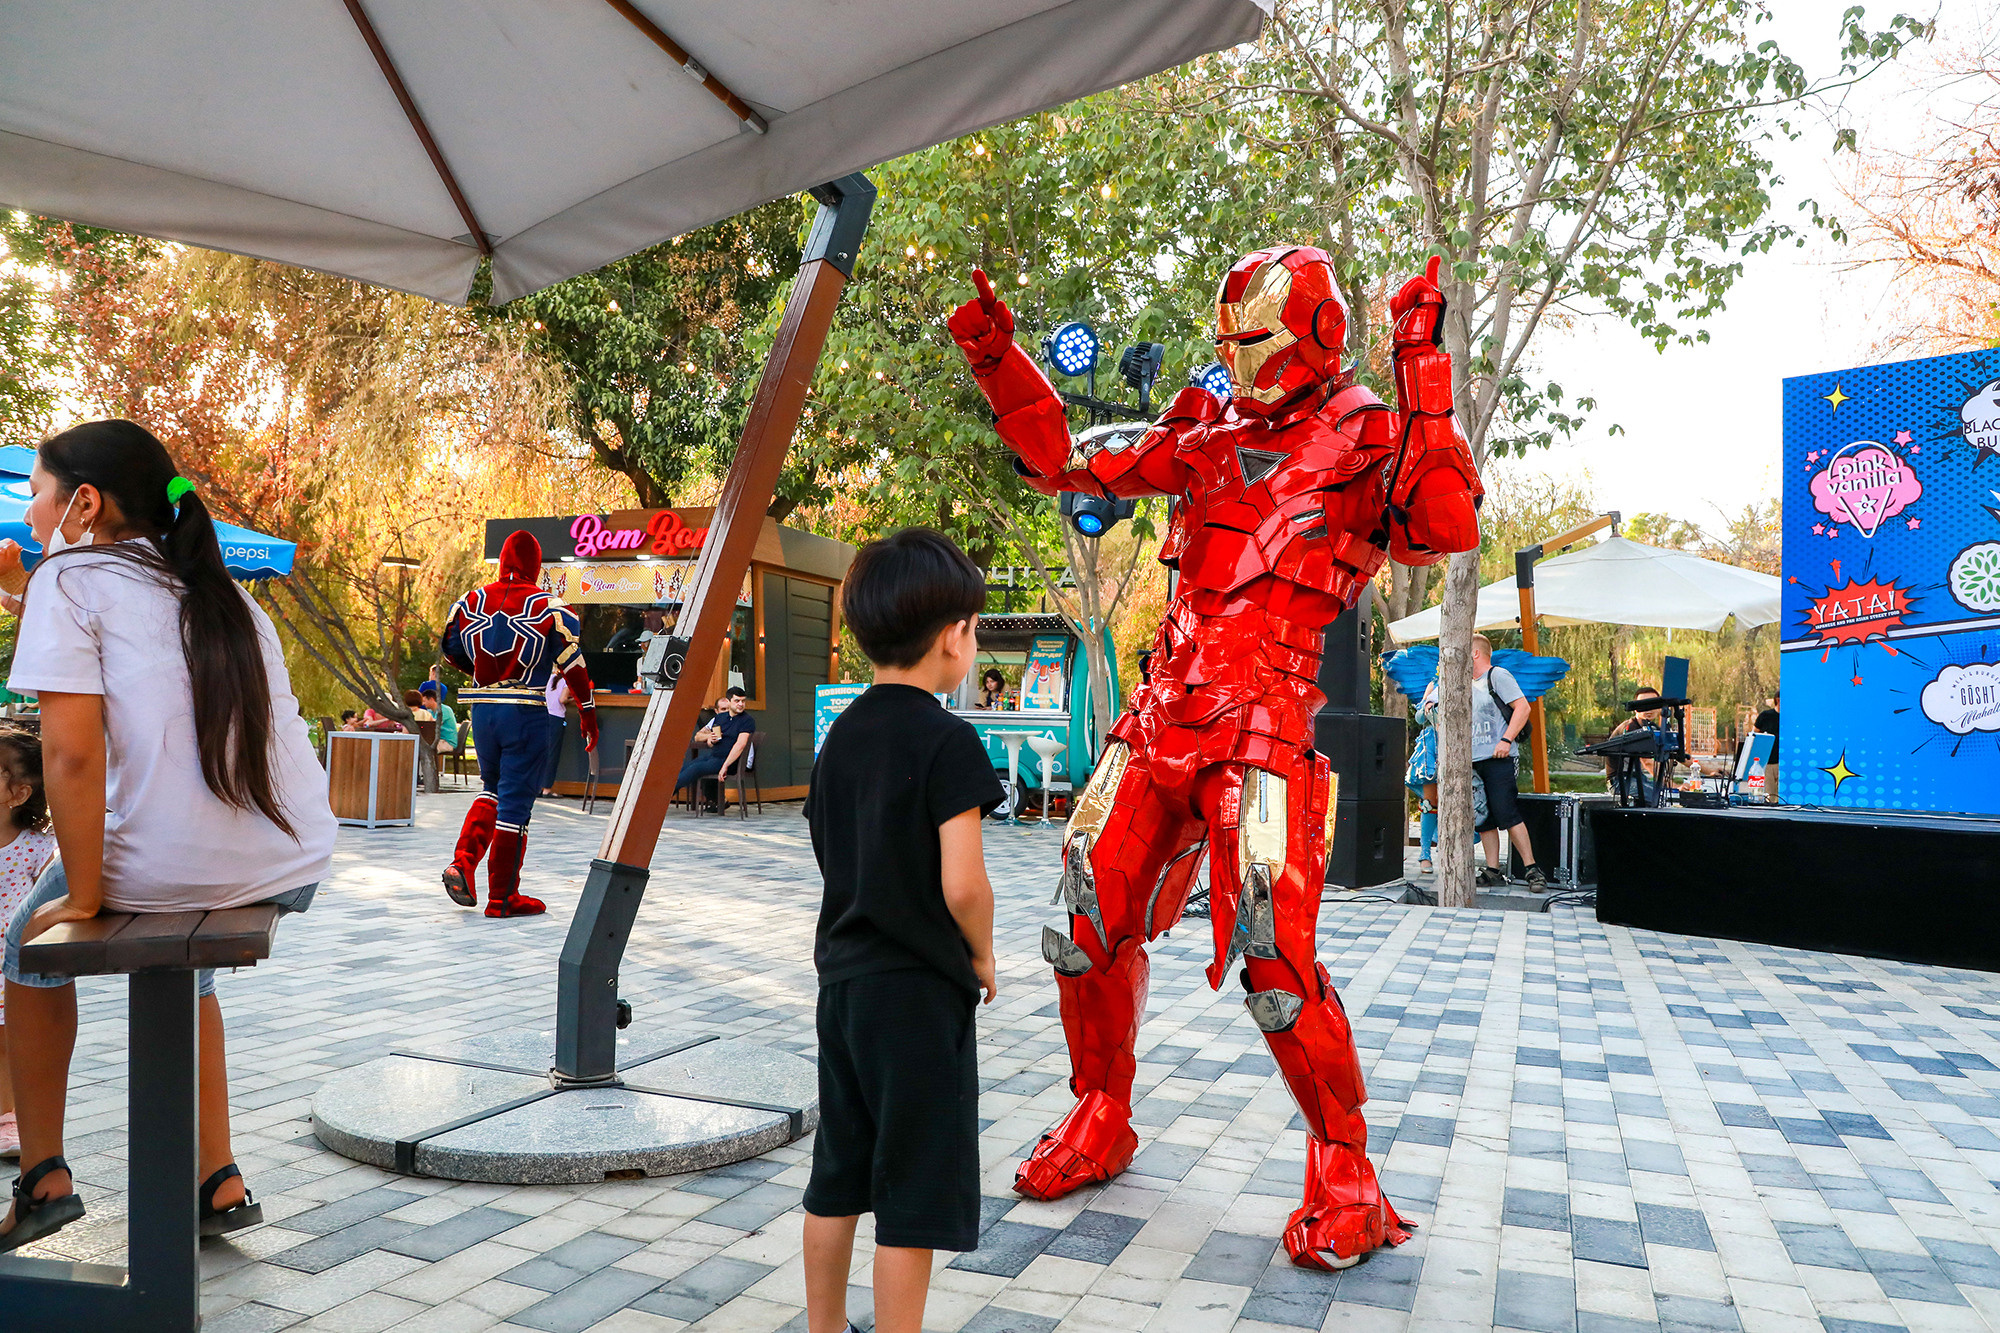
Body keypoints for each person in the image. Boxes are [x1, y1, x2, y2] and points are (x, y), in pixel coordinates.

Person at [0, 419, 336, 1251]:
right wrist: (27, 593)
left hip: (180, 863)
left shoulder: (70, 580)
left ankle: (42, 1176)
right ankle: (215, 1174)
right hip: (291, 853)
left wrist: (80, 897)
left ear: (85, 501)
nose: (32, 516)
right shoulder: (219, 587)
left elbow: (70, 756)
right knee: (184, 964)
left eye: (39, 496)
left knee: (20, 949)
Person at [802, 528, 1002, 1333]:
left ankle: (823, 1329)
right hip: (917, 995)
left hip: (842, 987)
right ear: (953, 637)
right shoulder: (949, 739)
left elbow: (829, 848)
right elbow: (964, 883)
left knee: (838, 1174)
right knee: (911, 1194)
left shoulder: (839, 738)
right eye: (975, 627)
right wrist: (982, 952)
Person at [440, 531, 598, 917]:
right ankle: (502, 898)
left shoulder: (468, 601)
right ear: (536, 565)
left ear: (502, 560)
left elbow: (450, 649)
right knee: (515, 805)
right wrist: (589, 714)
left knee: (492, 788)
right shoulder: (552, 608)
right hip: (526, 711)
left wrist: (482, 675)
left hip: (483, 711)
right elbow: (573, 667)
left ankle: (462, 862)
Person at [0, 726, 55, 1161]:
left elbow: (47, 901)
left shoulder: (36, 848)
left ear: (17, 794)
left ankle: (8, 1117)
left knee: (6, 1039)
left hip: (8, 961)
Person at [1468, 634, 1546, 891]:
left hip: (1499, 758)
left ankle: (1532, 869)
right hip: (1473, 760)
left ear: (1476, 653)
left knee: (1507, 813)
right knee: (1484, 817)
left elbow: (1523, 708)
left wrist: (1506, 739)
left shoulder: (1497, 676)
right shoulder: (1465, 684)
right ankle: (1493, 870)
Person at [676, 687, 752, 811]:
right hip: (715, 757)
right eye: (737, 701)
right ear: (729, 701)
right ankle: (661, 794)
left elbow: (740, 745)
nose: (740, 704)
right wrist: (710, 739)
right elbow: (707, 738)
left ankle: (660, 799)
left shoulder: (746, 721)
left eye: (743, 701)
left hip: (732, 761)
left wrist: (725, 766)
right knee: (688, 766)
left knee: (695, 769)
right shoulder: (721, 718)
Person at [1607, 685, 1664, 806]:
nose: (1649, 709)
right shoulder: (1630, 727)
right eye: (1643, 705)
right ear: (1635, 709)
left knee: (1666, 794)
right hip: (1619, 781)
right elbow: (1647, 762)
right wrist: (1675, 786)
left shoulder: (1653, 728)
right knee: (1658, 797)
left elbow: (1679, 753)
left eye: (1653, 704)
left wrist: (1709, 771)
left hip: (1639, 778)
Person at [540, 675, 570, 798]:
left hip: (544, 716)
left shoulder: (548, 678)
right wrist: (571, 700)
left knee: (542, 753)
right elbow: (562, 699)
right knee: (553, 754)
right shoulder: (566, 681)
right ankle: (547, 789)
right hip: (557, 719)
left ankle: (538, 787)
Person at [1756, 691, 1780, 802]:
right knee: (1771, 796)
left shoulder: (1791, 719)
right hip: (1768, 761)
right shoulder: (1765, 716)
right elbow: (1755, 735)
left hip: (1784, 762)